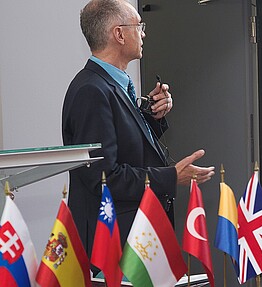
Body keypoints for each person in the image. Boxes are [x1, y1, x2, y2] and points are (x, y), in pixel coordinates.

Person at [62, 0, 215, 262]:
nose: (143, 33)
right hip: (114, 244)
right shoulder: (92, 91)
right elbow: (104, 178)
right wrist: (170, 176)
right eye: (139, 26)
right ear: (119, 34)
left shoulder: (110, 84)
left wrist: (152, 117)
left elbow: (126, 148)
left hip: (134, 236)